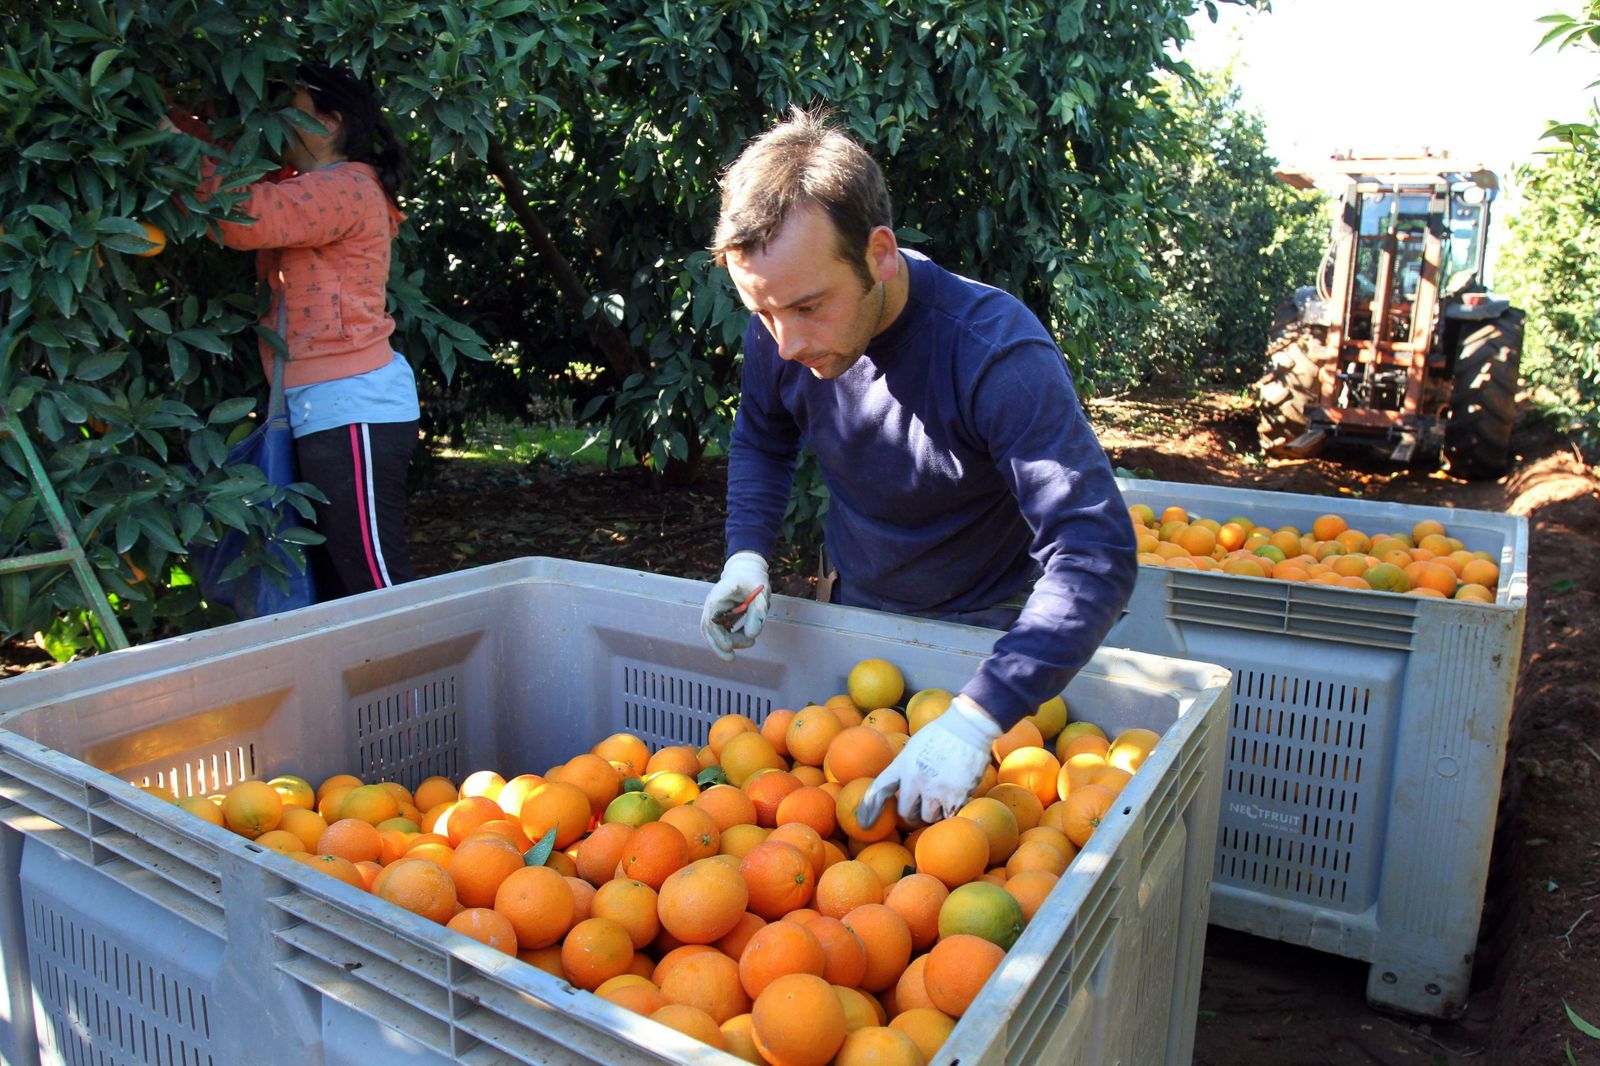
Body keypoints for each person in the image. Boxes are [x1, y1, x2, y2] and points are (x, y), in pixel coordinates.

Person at [698, 108, 1137, 826]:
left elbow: (1095, 556)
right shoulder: (781, 327)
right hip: (861, 622)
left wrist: (976, 721)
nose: (784, 344)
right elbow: (763, 438)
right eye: (764, 312)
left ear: (879, 253)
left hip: (994, 641)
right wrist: (746, 554)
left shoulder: (994, 356)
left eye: (808, 307)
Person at [191, 63, 419, 600]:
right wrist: (181, 120)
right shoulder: (307, 185)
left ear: (330, 124)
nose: (276, 123)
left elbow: (243, 213)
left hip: (354, 406)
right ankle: (366, 684)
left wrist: (170, 142)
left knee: (375, 580)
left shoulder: (347, 188)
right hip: (321, 404)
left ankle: (423, 686)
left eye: (289, 111)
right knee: (338, 583)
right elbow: (240, 182)